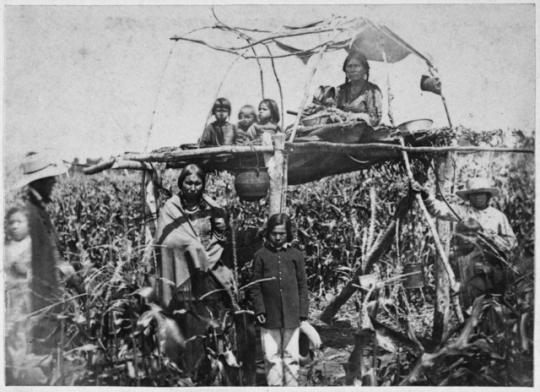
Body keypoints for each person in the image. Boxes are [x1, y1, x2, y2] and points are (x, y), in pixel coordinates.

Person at [153, 163, 237, 372]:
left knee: (215, 317)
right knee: (189, 321)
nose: (192, 187)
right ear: (181, 183)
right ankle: (190, 367)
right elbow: (164, 240)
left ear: (203, 184)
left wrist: (220, 229)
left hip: (208, 269)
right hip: (185, 276)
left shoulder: (211, 207)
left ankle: (219, 365)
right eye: (188, 182)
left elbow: (220, 239)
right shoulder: (171, 208)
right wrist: (191, 246)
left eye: (197, 183)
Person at [412, 177, 517, 309]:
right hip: (468, 268)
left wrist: (493, 239)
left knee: (493, 307)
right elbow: (438, 208)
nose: (478, 197)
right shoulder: (462, 211)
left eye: (481, 193)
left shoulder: (498, 216)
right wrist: (424, 194)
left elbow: (512, 243)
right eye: (474, 194)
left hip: (491, 269)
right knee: (470, 306)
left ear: (488, 195)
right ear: (469, 197)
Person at [250, 213, 309, 387]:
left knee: (291, 355)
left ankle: (291, 386)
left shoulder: (296, 255)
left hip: (292, 313)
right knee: (271, 355)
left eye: (282, 233)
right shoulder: (260, 255)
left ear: (288, 234)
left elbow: (302, 285)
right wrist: (259, 309)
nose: (277, 237)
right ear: (268, 233)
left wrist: (303, 311)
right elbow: (255, 286)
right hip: (269, 314)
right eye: (274, 233)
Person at [330, 51, 383, 128]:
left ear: (365, 69)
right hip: (340, 131)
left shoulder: (373, 91)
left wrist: (347, 115)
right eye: (349, 66)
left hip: (365, 134)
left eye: (357, 66)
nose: (353, 70)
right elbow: (332, 112)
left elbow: (374, 120)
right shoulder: (340, 90)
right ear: (345, 70)